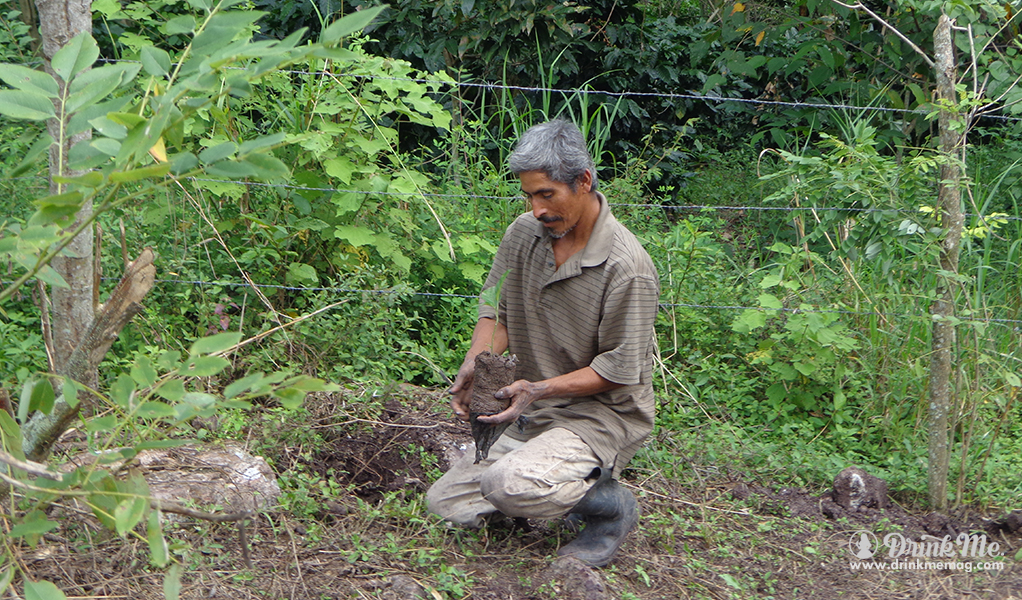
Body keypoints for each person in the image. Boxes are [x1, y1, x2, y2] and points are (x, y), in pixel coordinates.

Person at [426, 119, 660, 567]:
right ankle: (534, 489)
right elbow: (496, 307)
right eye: (528, 196)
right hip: (534, 411)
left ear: (584, 181)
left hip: (598, 416)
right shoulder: (523, 234)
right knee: (445, 504)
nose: (535, 209)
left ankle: (610, 506)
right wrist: (476, 360)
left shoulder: (627, 267)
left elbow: (618, 369)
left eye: (546, 194)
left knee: (508, 485)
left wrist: (538, 388)